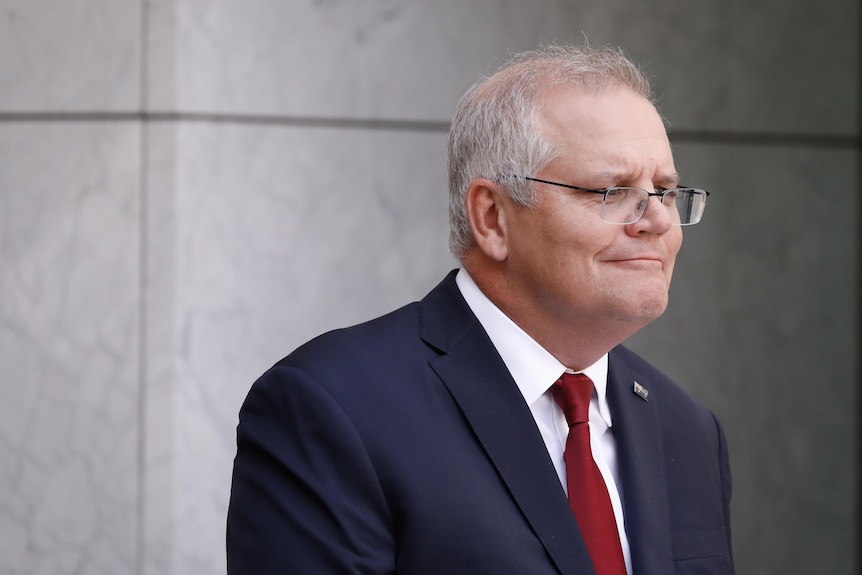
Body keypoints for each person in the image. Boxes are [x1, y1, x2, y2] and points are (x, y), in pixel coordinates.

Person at [226, 44, 734, 575]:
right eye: (612, 191)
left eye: (666, 191)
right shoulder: (335, 408)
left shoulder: (687, 429)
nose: (655, 220)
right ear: (492, 218)